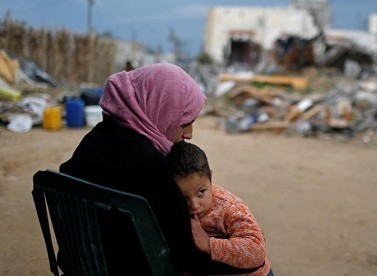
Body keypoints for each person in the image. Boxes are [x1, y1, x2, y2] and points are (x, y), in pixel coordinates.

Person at [59, 63, 261, 275]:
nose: (189, 134)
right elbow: (186, 255)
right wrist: (254, 261)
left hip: (82, 265)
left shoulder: (91, 143)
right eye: (185, 122)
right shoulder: (150, 165)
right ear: (162, 108)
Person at [167, 141, 273, 276]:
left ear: (210, 179)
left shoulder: (230, 208)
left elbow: (256, 252)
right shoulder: (173, 205)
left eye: (201, 192)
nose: (194, 204)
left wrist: (209, 244)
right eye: (184, 197)